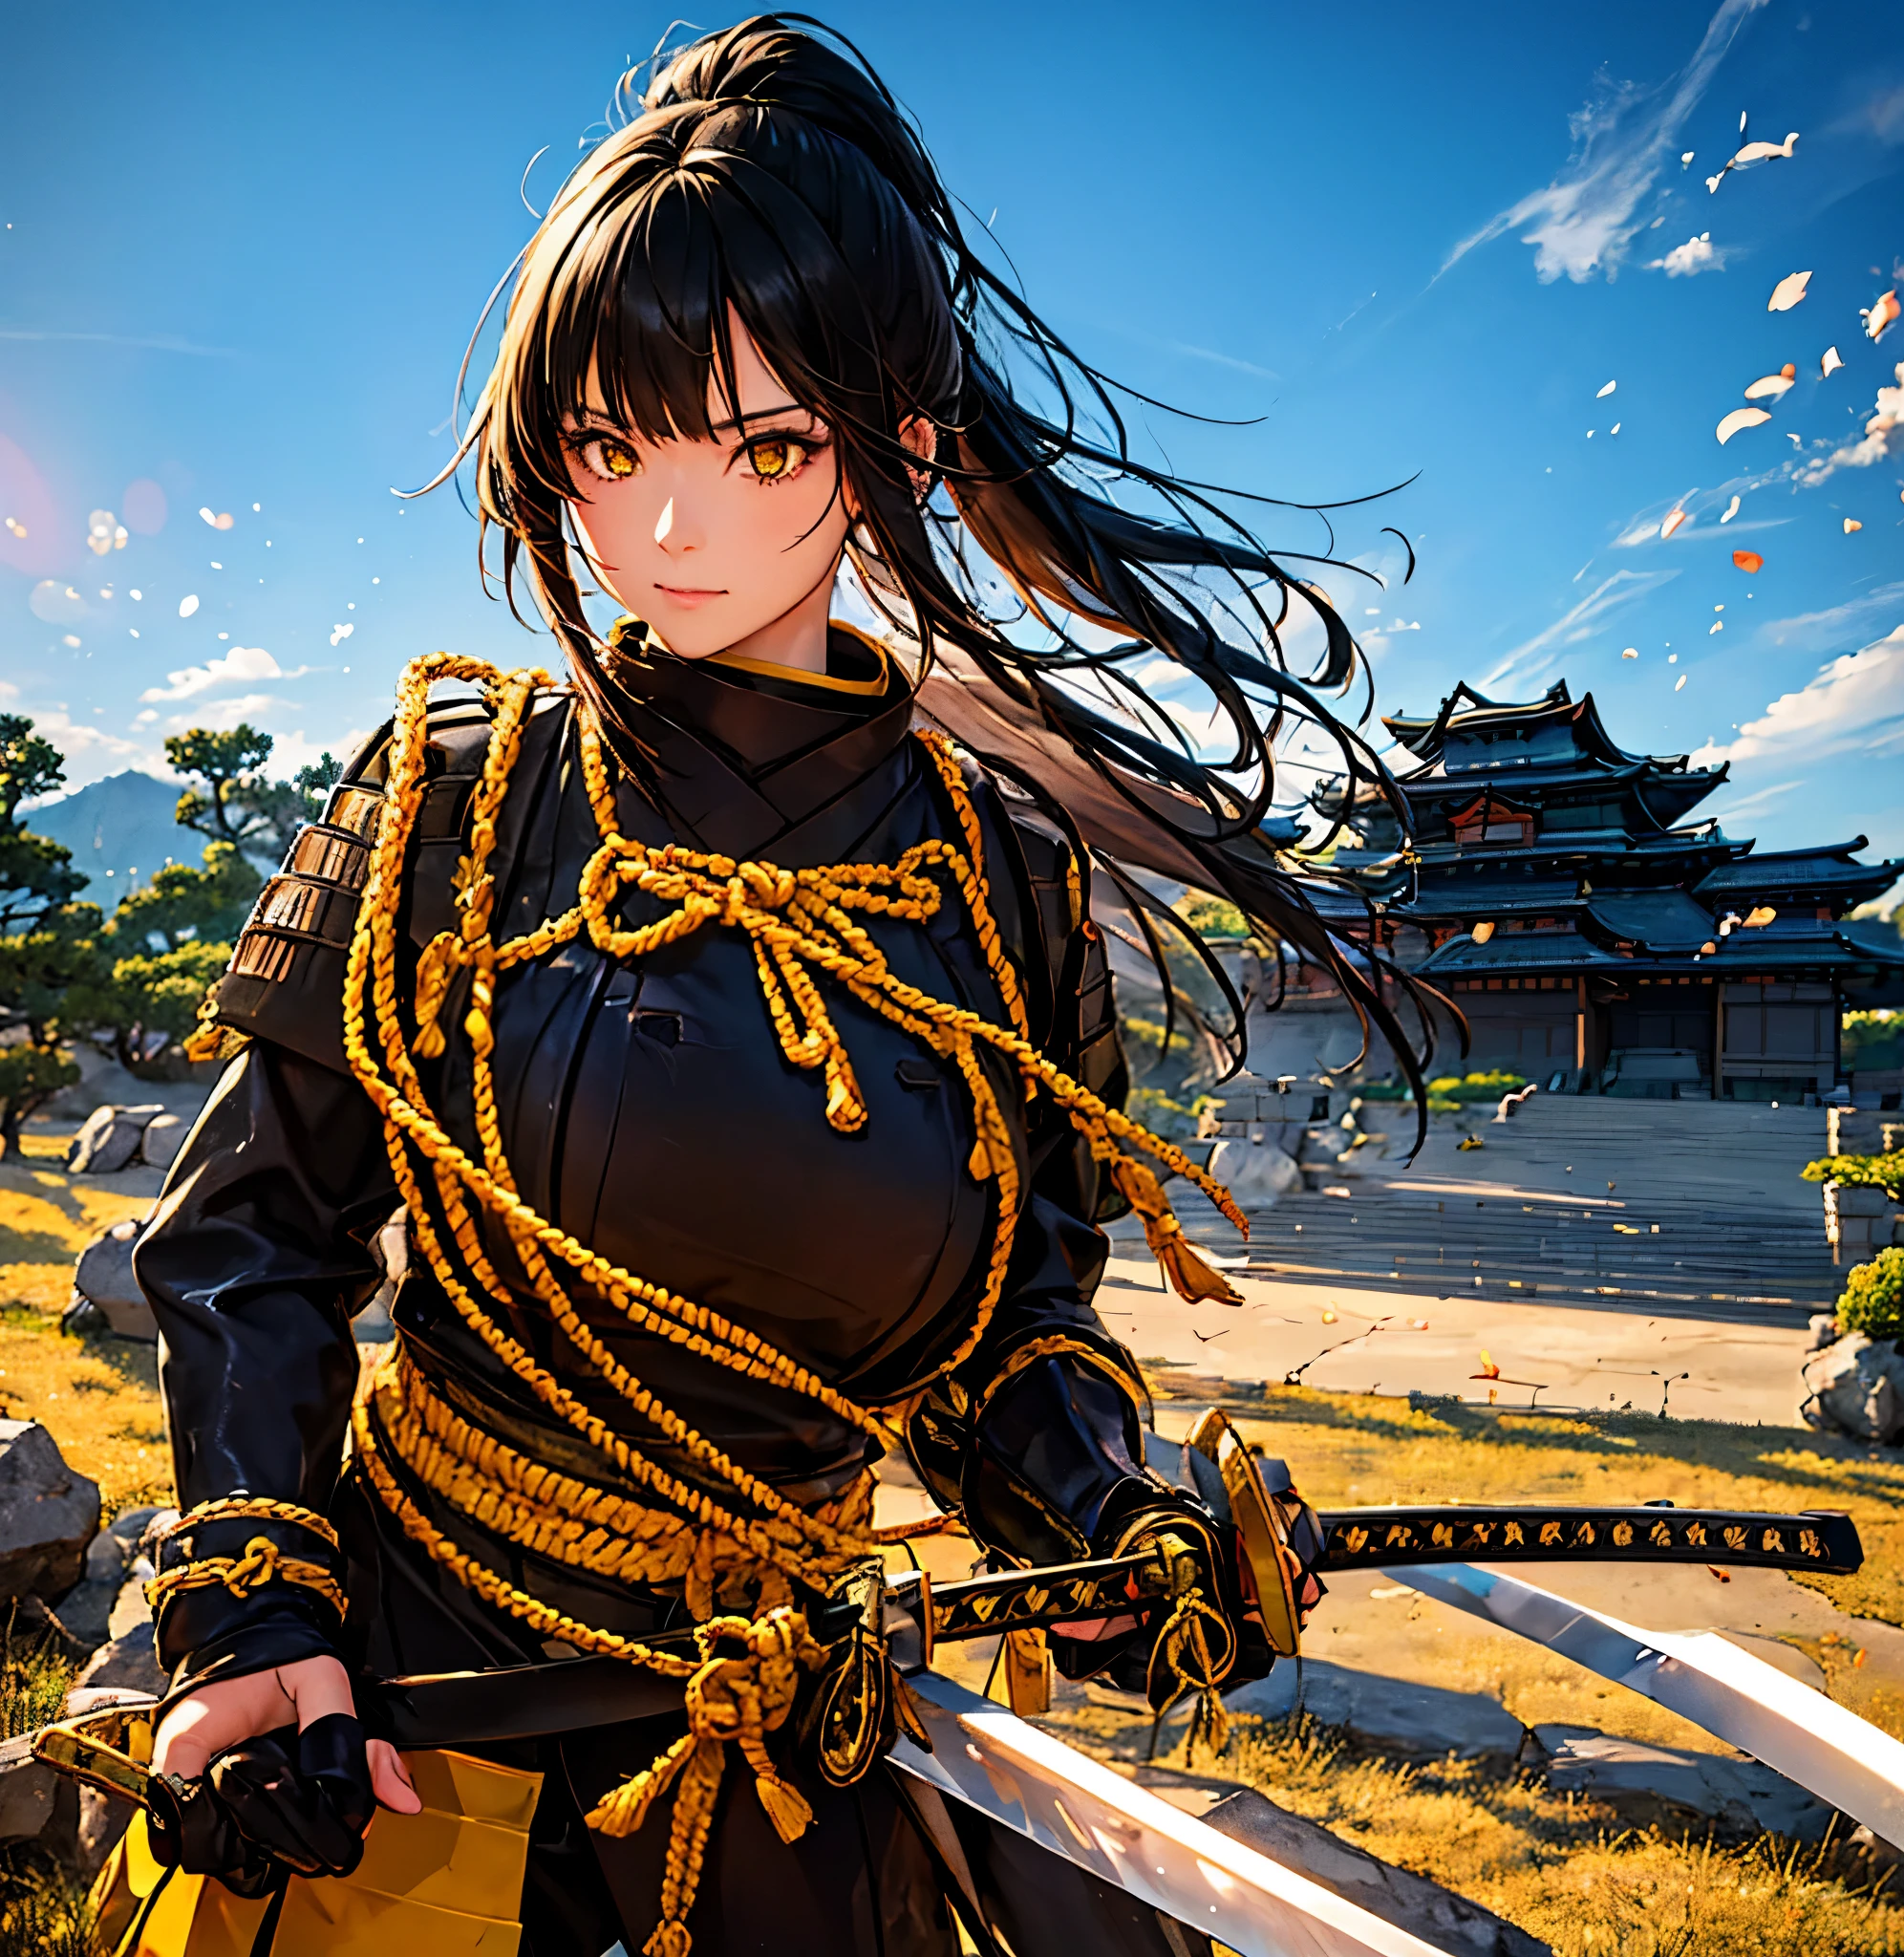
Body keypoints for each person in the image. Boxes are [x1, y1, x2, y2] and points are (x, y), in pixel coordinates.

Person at [128, 17, 1422, 1954]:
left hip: (794, 1740)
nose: (664, 523)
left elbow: (1010, 1318)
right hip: (407, 1719)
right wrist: (252, 1613)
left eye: (764, 444)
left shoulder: (999, 883)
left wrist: (1092, 1517)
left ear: (900, 437)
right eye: (606, 443)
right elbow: (252, 1237)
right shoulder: (448, 803)